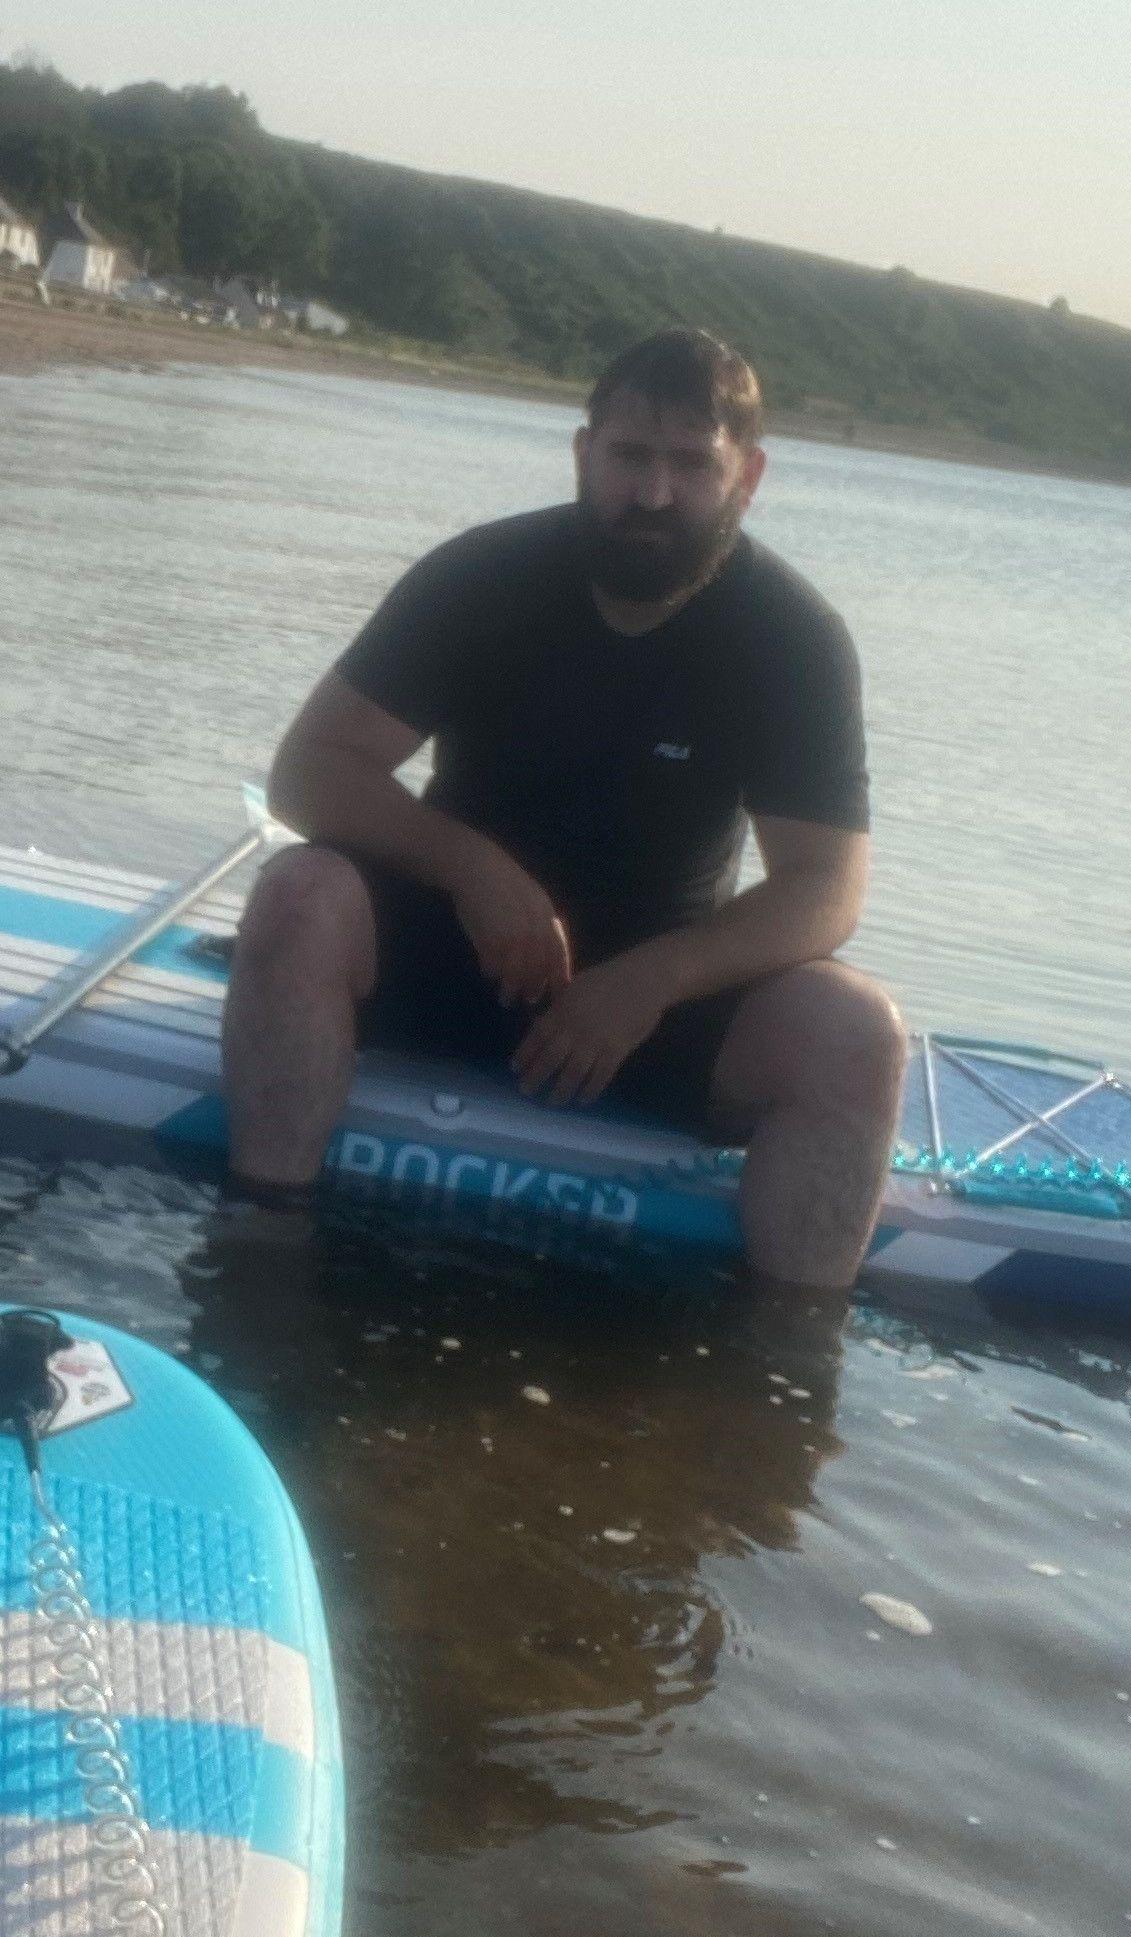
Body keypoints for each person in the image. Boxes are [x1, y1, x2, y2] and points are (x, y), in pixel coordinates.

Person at [220, 327, 905, 1291]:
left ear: (746, 478)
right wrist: (474, 871)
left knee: (858, 1032)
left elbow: (827, 887)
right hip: (453, 952)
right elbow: (309, 770)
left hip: (647, 1006)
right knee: (298, 893)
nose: (653, 495)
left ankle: (784, 1360)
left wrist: (652, 980)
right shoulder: (481, 577)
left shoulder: (791, 638)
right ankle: (260, 1244)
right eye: (629, 457)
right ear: (585, 454)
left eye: (689, 466)